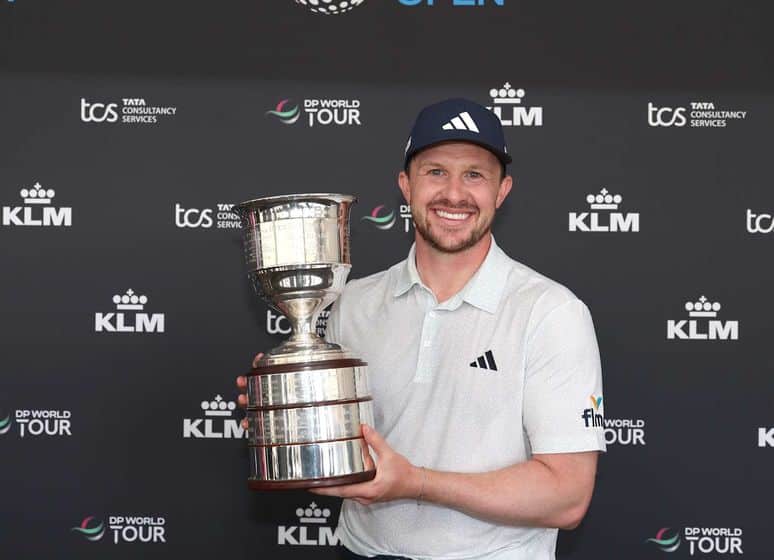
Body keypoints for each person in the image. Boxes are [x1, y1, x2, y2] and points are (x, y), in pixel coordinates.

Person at [236, 98, 606, 560]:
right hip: (363, 552)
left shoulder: (550, 312)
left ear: (502, 190)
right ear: (404, 186)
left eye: (474, 174)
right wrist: (293, 412)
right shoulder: (351, 302)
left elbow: (568, 496)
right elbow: (346, 452)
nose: (454, 193)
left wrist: (418, 483)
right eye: (435, 172)